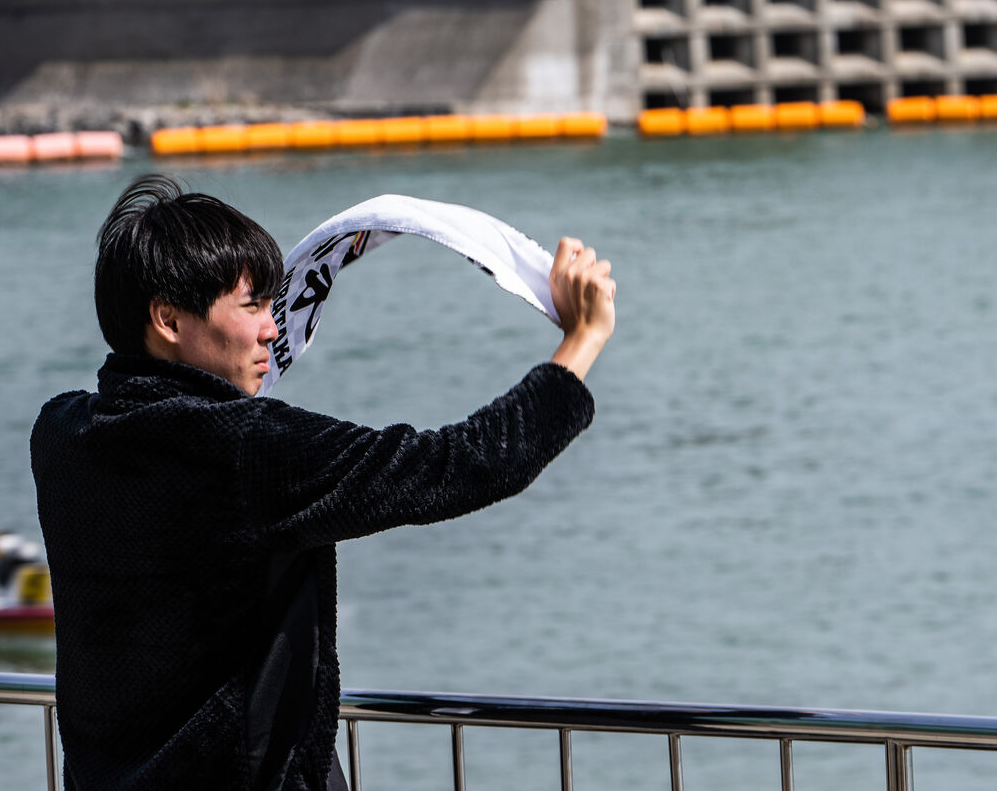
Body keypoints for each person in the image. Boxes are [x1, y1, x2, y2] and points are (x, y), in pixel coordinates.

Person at [31, 175, 616, 791]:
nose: (272, 329)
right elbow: (462, 462)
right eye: (251, 307)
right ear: (168, 319)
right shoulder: (241, 447)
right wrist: (584, 339)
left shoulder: (61, 433)